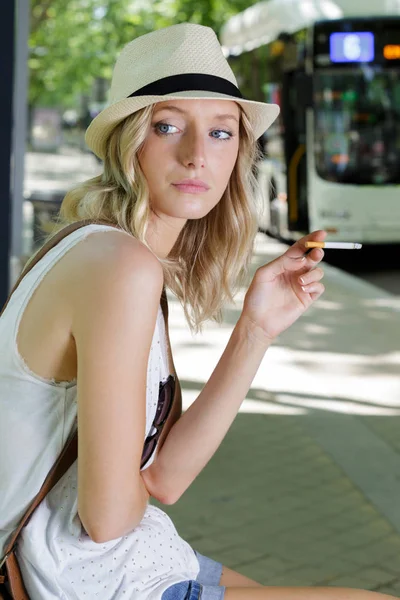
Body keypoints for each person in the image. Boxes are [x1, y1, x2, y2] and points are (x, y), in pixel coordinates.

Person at [0, 22, 395, 600]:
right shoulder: (120, 266)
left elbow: (164, 478)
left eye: (220, 131)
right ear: (128, 140)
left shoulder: (108, 252)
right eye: (167, 126)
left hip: (136, 557)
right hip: (93, 581)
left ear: (239, 151)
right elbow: (108, 517)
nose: (195, 156)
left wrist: (256, 327)